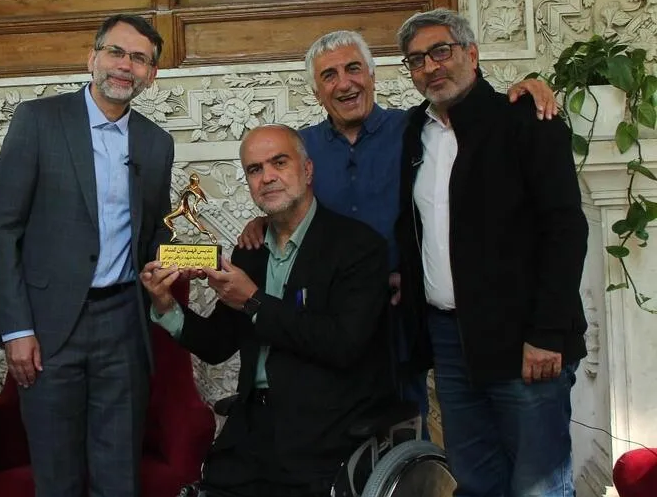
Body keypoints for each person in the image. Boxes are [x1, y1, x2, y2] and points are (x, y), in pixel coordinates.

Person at [238, 30, 556, 430]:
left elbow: (471, 110)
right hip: (330, 320)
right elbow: (284, 201)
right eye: (329, 76)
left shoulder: (416, 129)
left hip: (401, 316)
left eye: (354, 69)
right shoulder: (301, 148)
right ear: (316, 92)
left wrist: (526, 91)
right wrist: (261, 221)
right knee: (328, 427)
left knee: (406, 427)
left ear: (373, 76)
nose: (344, 83)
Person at [394, 8, 587, 497]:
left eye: (441, 51)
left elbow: (565, 230)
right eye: (416, 60)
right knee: (478, 492)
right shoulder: (413, 131)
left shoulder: (525, 120)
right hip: (451, 341)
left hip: (525, 340)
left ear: (472, 54)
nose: (430, 67)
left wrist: (547, 333)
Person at [0, 14, 174, 497]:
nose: (125, 65)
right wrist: (16, 329)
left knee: (118, 477)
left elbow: (155, 235)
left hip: (123, 323)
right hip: (47, 328)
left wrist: (195, 262)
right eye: (117, 52)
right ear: (92, 58)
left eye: (139, 59)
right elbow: (2, 227)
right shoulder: (38, 120)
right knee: (57, 476)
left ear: (151, 74)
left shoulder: (156, 143)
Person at [142, 125, 392, 497]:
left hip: (326, 431)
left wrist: (254, 301)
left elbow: (342, 344)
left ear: (307, 170)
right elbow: (218, 344)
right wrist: (165, 306)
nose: (267, 176)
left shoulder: (358, 246)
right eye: (255, 169)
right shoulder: (250, 252)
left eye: (279, 162)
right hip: (252, 428)